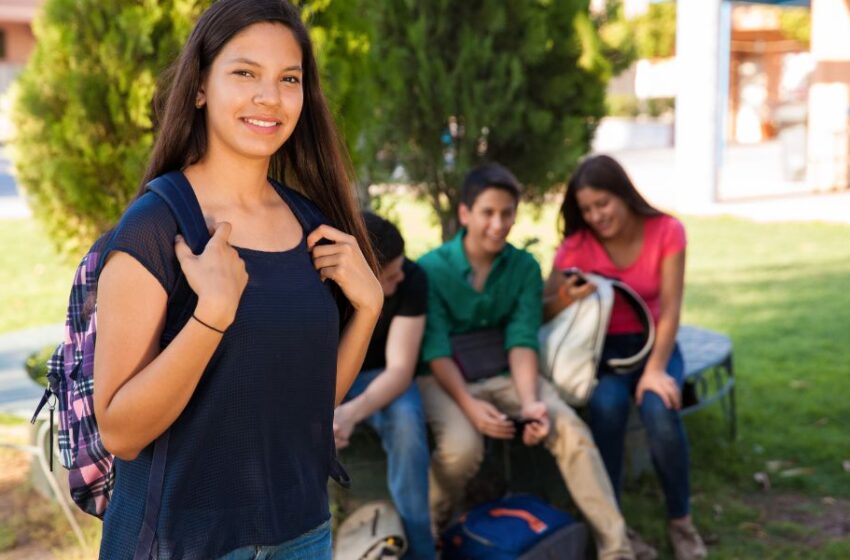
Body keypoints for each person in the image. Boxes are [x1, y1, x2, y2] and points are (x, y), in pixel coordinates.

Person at [92, 1, 383, 558]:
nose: (269, 97)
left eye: (288, 79)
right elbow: (121, 433)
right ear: (200, 86)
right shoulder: (158, 226)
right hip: (182, 541)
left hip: (302, 534)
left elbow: (306, 412)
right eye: (245, 73)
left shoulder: (311, 226)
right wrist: (211, 317)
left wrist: (368, 309)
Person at [416, 163, 633, 560]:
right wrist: (469, 406)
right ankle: (426, 535)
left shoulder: (524, 268)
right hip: (444, 378)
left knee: (571, 431)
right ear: (465, 214)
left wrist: (532, 402)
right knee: (462, 447)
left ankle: (616, 549)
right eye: (487, 213)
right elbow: (435, 350)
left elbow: (521, 339)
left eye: (507, 213)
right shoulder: (430, 269)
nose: (498, 224)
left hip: (505, 372)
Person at [543, 155, 707, 560]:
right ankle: (613, 526)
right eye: (587, 209)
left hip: (657, 344)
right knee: (607, 406)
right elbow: (544, 309)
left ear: (623, 194)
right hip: (603, 353)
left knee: (660, 407)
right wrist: (565, 296)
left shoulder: (667, 231)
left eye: (603, 203)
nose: (597, 216)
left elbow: (671, 308)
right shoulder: (575, 247)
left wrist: (654, 371)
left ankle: (680, 521)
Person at [333, 212, 435, 560]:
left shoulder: (412, 280)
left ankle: (423, 551)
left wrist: (348, 414)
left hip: (384, 379)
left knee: (407, 424)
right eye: (389, 276)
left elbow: (401, 369)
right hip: (329, 378)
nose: (400, 277)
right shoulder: (323, 286)